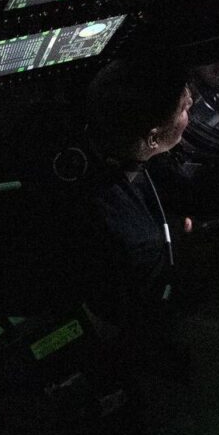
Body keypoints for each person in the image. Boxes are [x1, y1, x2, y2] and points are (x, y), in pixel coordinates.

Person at [81, 55, 195, 342]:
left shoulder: (94, 137)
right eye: (183, 108)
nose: (192, 102)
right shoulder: (141, 240)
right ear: (153, 139)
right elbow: (122, 315)